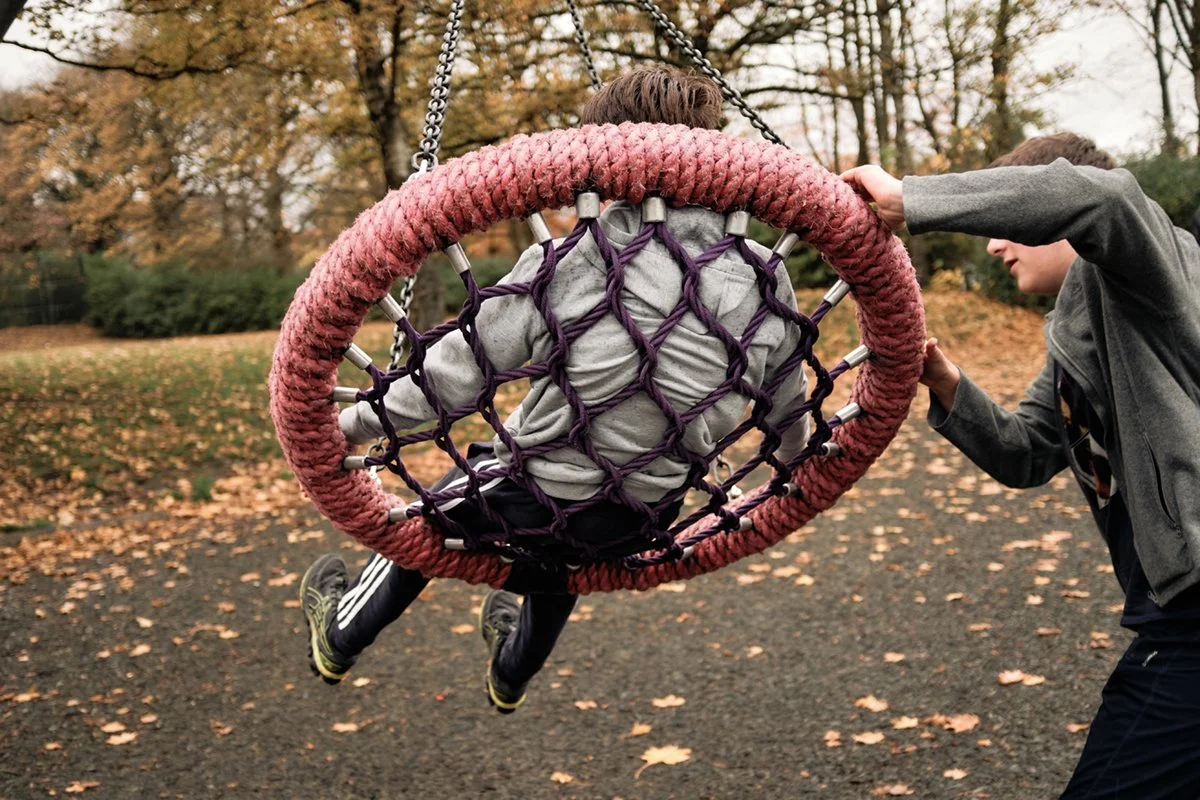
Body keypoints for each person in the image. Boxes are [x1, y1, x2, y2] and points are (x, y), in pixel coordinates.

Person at [300, 66, 810, 714]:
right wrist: (792, 473)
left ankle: (342, 631)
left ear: (605, 155)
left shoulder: (579, 257)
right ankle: (510, 674)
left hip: (530, 498)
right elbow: (788, 403)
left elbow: (455, 376)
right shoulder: (762, 277)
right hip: (644, 518)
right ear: (707, 149)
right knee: (565, 541)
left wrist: (347, 430)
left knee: (433, 515)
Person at [842, 133, 1200, 798]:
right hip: (1170, 611)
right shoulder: (1076, 318)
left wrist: (909, 199)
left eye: (1009, 223)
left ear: (1049, 211)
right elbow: (1027, 451)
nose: (993, 243)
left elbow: (1107, 197)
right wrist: (946, 382)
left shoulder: (1156, 262)